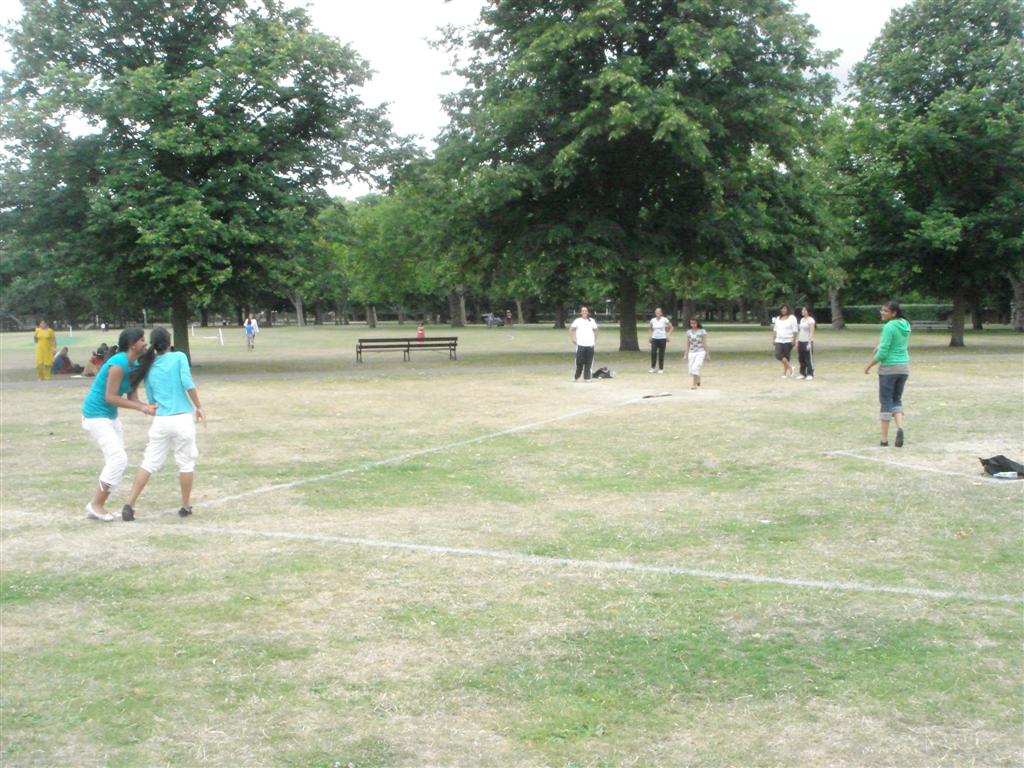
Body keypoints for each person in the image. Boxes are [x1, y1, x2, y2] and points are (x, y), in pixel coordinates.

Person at [121, 327, 206, 521]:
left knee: (149, 462)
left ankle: (130, 504)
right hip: (182, 418)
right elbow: (187, 383)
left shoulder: (149, 364)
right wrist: (199, 407)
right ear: (169, 342)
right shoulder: (179, 358)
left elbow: (151, 397)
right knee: (186, 463)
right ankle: (185, 505)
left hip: (161, 420)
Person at [81, 328, 156, 522]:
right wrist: (142, 408)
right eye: (141, 340)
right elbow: (110, 397)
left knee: (118, 460)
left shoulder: (133, 364)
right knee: (118, 459)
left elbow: (131, 394)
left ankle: (99, 504)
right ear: (132, 345)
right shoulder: (119, 364)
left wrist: (146, 406)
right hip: (95, 415)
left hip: (109, 416)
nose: (145, 344)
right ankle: (96, 505)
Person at [865, 301, 911, 447]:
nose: (882, 313)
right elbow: (896, 342)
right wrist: (879, 345)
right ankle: (900, 428)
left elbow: (883, 353)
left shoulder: (889, 327)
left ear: (894, 313)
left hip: (889, 369)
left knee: (886, 402)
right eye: (882, 310)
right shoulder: (905, 324)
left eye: (885, 311)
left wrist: (869, 365)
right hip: (903, 367)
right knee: (896, 400)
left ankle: (884, 439)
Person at [569, 306, 598, 382]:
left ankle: (587, 378)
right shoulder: (578, 321)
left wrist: (594, 340)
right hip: (580, 345)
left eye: (586, 311)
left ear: (587, 312)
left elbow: (595, 330)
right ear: (581, 312)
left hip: (590, 345)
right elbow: (571, 329)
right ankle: (576, 377)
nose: (584, 312)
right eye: (583, 311)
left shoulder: (591, 320)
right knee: (579, 362)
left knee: (589, 362)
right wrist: (573, 339)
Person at [772, 305, 799, 378]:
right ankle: (790, 368)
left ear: (788, 310)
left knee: (786, 356)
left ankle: (784, 373)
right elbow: (775, 329)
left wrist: (794, 340)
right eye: (782, 309)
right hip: (779, 340)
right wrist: (774, 339)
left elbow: (795, 330)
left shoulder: (792, 318)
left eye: (785, 309)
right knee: (778, 355)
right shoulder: (778, 318)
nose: (783, 310)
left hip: (788, 340)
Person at [684, 317, 710, 389]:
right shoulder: (688, 332)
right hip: (691, 352)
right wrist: (685, 355)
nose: (693, 325)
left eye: (694, 323)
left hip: (700, 352)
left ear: (697, 323)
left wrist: (707, 354)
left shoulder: (702, 331)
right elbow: (687, 344)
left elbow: (704, 343)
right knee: (690, 370)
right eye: (691, 323)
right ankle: (698, 377)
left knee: (695, 368)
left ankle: (694, 384)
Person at [648, 307, 673, 373]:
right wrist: (650, 336)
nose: (657, 313)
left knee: (661, 353)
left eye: (659, 312)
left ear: (661, 313)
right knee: (653, 353)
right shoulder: (652, 320)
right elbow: (650, 328)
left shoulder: (664, 319)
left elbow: (671, 327)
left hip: (662, 338)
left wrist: (668, 335)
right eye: (656, 312)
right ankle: (653, 368)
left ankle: (661, 368)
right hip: (654, 338)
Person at [797, 306, 816, 380]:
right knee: (801, 358)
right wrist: (797, 340)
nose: (803, 311)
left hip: (807, 341)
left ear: (808, 311)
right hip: (801, 341)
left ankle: (810, 373)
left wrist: (809, 343)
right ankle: (802, 373)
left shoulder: (811, 320)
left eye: (804, 310)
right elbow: (800, 331)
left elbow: (811, 332)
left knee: (808, 358)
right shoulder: (802, 320)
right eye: (802, 310)